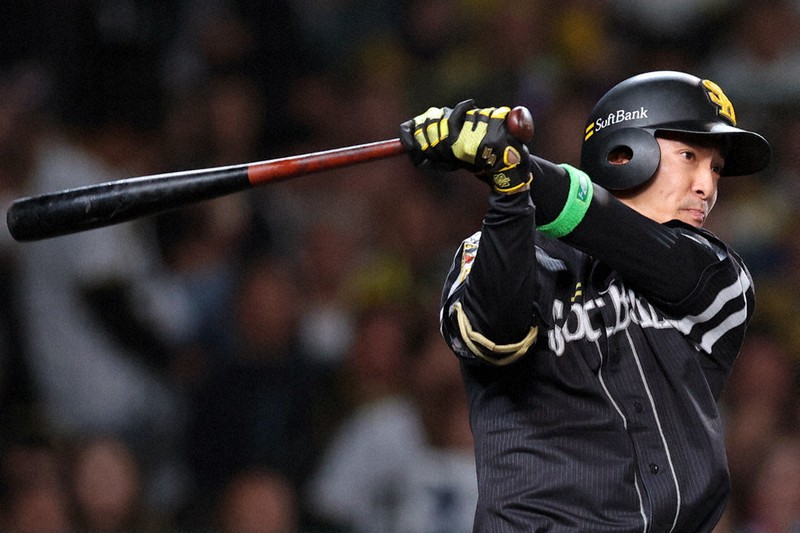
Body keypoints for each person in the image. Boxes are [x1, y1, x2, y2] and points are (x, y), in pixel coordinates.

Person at [398, 70, 771, 532]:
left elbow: (622, 235)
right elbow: (493, 334)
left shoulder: (719, 274)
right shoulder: (499, 251)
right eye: (690, 156)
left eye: (715, 168)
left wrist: (518, 169)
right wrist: (511, 197)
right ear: (622, 154)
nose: (707, 186)